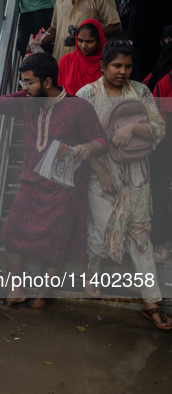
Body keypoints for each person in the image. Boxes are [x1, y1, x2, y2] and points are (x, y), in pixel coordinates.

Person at [0, 53, 107, 308]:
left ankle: (42, 298)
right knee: (11, 238)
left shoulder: (79, 107)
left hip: (63, 192)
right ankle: (16, 290)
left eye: (28, 82)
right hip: (30, 186)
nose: (24, 88)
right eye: (22, 83)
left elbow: (100, 140)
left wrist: (89, 147)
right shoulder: (25, 102)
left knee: (53, 250)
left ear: (47, 82)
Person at [77, 41, 171, 329]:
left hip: (137, 172)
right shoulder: (87, 95)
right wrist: (99, 170)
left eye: (128, 66)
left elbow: (159, 128)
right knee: (103, 231)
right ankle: (92, 271)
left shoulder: (140, 91)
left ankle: (151, 301)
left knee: (140, 234)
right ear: (103, 66)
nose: (123, 71)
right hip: (101, 173)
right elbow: (78, 141)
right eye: (117, 66)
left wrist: (131, 128)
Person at [143, 25, 172, 263]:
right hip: (151, 144)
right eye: (166, 40)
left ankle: (163, 241)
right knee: (151, 192)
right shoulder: (153, 75)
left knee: (161, 193)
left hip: (163, 146)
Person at [33, 0, 121, 62]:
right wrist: (36, 42)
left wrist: (88, 34)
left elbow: (116, 27)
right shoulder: (60, 1)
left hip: (87, 64)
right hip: (61, 62)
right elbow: (54, 28)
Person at [58, 19, 106, 95]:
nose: (83, 46)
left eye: (89, 41)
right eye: (80, 40)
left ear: (99, 41)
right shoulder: (66, 61)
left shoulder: (107, 63)